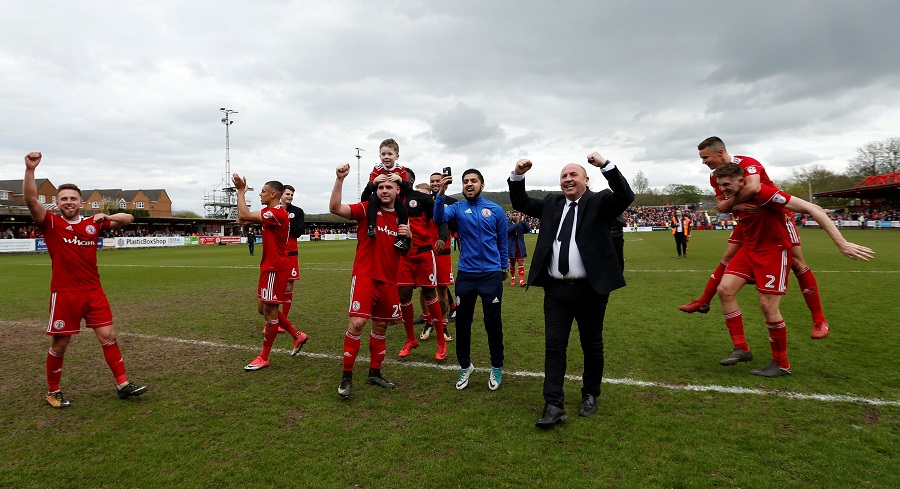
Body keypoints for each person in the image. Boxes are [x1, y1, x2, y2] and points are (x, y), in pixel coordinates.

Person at [509, 152, 634, 428]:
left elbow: (625, 195)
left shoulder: (599, 201)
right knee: (554, 347)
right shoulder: (553, 203)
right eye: (564, 175)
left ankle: (590, 394)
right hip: (556, 290)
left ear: (586, 180)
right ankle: (553, 404)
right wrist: (518, 174)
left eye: (573, 174)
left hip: (591, 290)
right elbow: (520, 201)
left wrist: (606, 165)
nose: (567, 179)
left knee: (591, 344)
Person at [712, 163, 873, 377]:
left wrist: (841, 243)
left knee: (767, 305)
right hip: (749, 249)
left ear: (742, 181)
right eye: (720, 185)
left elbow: (813, 208)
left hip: (773, 251)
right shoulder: (734, 200)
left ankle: (781, 363)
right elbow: (724, 204)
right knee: (725, 290)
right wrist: (733, 205)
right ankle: (741, 349)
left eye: (727, 184)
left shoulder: (766, 194)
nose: (723, 189)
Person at [23, 152, 147, 408]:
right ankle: (52, 391)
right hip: (64, 293)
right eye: (64, 198)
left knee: (108, 335)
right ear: (57, 203)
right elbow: (30, 199)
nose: (68, 202)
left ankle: (123, 384)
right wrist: (30, 170)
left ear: (81, 202)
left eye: (73, 198)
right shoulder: (51, 223)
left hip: (93, 291)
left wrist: (107, 217)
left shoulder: (93, 223)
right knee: (60, 343)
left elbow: (130, 218)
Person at [679, 137, 833, 340]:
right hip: (748, 221)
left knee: (796, 262)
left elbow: (752, 189)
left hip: (775, 219)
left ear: (720, 152)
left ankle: (819, 320)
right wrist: (736, 206)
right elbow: (720, 202)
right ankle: (705, 300)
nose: (703, 162)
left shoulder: (748, 163)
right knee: (728, 256)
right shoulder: (715, 176)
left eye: (705, 157)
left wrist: (730, 204)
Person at [329, 163, 410, 398]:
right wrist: (340, 179)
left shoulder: (403, 219)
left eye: (389, 187)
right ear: (377, 190)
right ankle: (347, 377)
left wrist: (410, 237)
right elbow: (334, 207)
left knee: (381, 326)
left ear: (397, 191)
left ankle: (375, 372)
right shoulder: (366, 210)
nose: (385, 190)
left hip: (389, 280)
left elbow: (404, 250)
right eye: (381, 187)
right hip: (365, 276)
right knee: (356, 324)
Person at [434, 168, 507, 391]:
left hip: (491, 274)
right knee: (463, 323)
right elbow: (438, 218)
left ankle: (496, 366)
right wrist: (440, 195)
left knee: (492, 323)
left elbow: (502, 241)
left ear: (481, 185)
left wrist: (503, 266)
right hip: (466, 275)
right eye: (465, 181)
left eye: (473, 181)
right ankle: (465, 366)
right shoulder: (456, 208)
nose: (469, 184)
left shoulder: (495, 210)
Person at [232, 173, 308, 371]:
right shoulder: (269, 211)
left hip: (275, 269)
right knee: (262, 309)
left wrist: (240, 192)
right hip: (267, 267)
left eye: (263, 192)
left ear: (274, 194)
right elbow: (244, 218)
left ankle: (264, 356)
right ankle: (297, 335)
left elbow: (244, 216)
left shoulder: (277, 213)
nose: (260, 194)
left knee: (270, 314)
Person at [395, 169, 448, 361]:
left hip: (424, 254)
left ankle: (441, 341)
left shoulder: (422, 199)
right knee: (404, 297)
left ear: (410, 180)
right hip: (403, 256)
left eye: (401, 177)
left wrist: (442, 237)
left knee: (429, 295)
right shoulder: (391, 198)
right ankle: (410, 339)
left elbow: (440, 219)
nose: (396, 179)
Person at [419, 171, 458, 342]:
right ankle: (428, 323)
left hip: (443, 251)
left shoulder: (451, 203)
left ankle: (443, 326)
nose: (435, 183)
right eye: (432, 181)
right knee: (424, 289)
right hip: (425, 250)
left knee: (442, 289)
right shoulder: (422, 201)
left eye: (438, 180)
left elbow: (454, 224)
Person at [363, 138, 411, 253]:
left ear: (397, 156)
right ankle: (371, 228)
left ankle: (401, 239)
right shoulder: (377, 168)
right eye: (383, 154)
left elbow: (407, 187)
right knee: (372, 199)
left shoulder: (400, 169)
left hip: (394, 200)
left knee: (403, 210)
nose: (386, 157)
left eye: (390, 154)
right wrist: (375, 181)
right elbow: (370, 188)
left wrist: (399, 179)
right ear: (379, 156)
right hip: (378, 198)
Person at [281, 184, 305, 319]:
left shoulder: (298, 212)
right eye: (287, 194)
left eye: (291, 194)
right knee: (275, 289)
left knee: (289, 287)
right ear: (281, 195)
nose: (290, 197)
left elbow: (298, 232)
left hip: (291, 255)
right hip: (276, 255)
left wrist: (286, 222)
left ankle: (283, 319)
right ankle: (271, 320)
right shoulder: (272, 210)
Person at [507, 211, 531, 287]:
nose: (515, 216)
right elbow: (508, 231)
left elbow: (528, 230)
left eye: (516, 215)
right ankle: (513, 278)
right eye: (513, 215)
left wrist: (523, 222)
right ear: (511, 216)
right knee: (512, 263)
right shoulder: (508, 223)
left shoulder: (521, 223)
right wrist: (517, 223)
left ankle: (521, 281)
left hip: (520, 246)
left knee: (520, 263)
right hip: (511, 247)